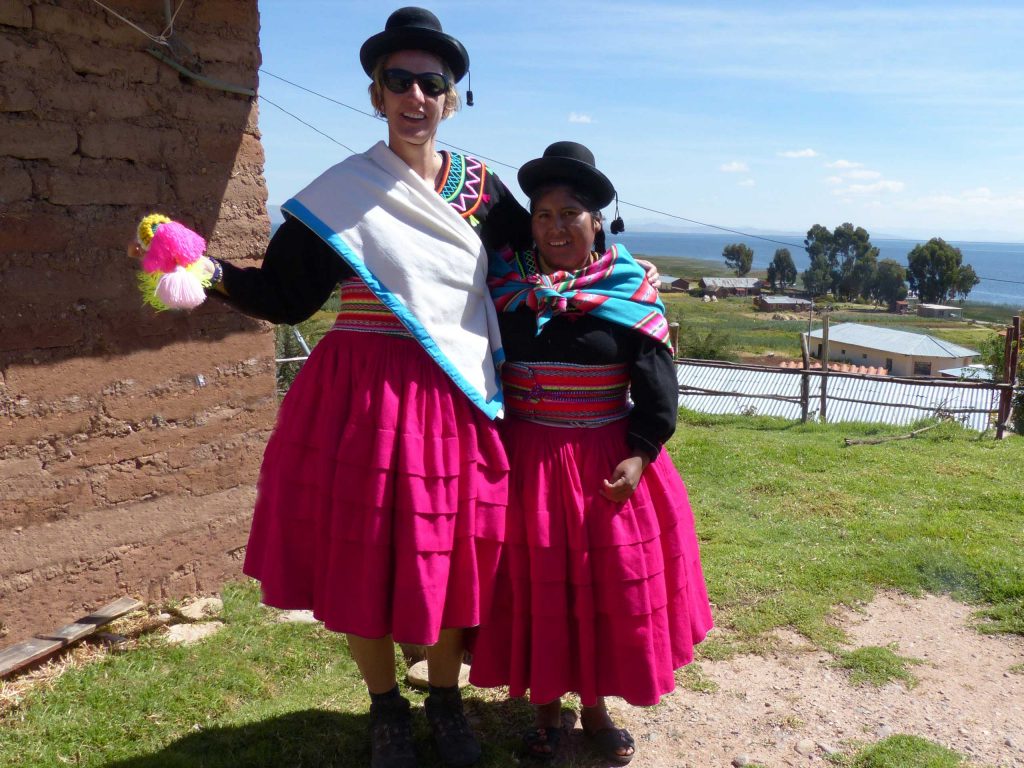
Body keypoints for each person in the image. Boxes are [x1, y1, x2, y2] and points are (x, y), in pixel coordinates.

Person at [188, 8, 532, 768]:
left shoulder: (485, 194)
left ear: (451, 97)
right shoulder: (342, 195)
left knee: (445, 553)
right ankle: (385, 711)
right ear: (376, 95)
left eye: (431, 82)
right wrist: (205, 273)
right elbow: (284, 297)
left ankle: (445, 702)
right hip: (362, 399)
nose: (415, 96)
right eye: (398, 81)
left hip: (453, 397)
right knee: (364, 553)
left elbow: (527, 279)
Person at [470, 142, 714, 765]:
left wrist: (641, 453)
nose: (556, 227)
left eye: (570, 213)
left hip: (606, 461)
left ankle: (598, 706)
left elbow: (657, 383)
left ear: (597, 220)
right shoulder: (503, 288)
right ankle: (547, 712)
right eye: (544, 214)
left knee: (606, 593)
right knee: (538, 591)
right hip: (526, 460)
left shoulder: (630, 290)